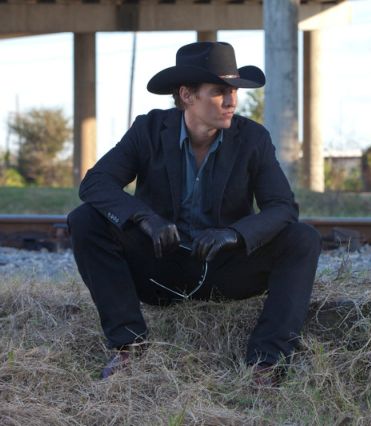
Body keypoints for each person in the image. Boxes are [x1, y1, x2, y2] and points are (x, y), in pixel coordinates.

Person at [67, 41, 321, 385]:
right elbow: (96, 183)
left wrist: (235, 234)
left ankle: (266, 362)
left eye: (234, 91)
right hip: (158, 267)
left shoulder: (253, 138)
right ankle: (130, 346)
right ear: (187, 95)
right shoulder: (149, 130)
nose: (231, 101)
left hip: (224, 269)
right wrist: (145, 218)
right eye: (219, 92)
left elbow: (282, 207)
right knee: (84, 219)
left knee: (303, 238)